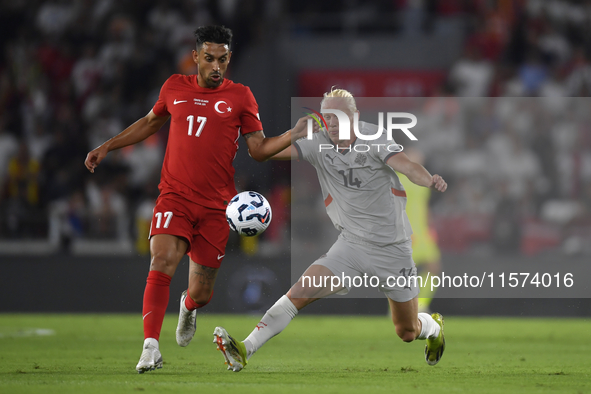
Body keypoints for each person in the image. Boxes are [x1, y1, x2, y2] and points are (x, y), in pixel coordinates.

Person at [84, 25, 309, 374]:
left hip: (217, 206)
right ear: (195, 58)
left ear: (229, 58)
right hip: (174, 195)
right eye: (209, 59)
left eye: (222, 59)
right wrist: (108, 146)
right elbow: (149, 122)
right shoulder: (174, 86)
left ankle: (187, 307)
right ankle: (150, 347)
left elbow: (259, 150)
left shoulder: (241, 96)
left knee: (201, 293)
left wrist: (292, 135)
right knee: (161, 261)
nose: (215, 66)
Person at [213, 88, 448, 372]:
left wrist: (429, 179)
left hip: (392, 248)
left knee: (407, 331)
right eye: (327, 118)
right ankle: (244, 348)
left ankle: (433, 329)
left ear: (356, 116)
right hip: (350, 244)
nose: (333, 124)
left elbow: (408, 166)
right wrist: (294, 133)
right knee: (297, 294)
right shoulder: (316, 142)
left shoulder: (374, 138)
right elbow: (261, 153)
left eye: (339, 116)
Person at [397, 148, 442, 313]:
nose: (420, 156)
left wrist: (430, 228)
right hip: (408, 233)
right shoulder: (399, 180)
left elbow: (424, 207)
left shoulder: (424, 181)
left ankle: (421, 305)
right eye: (414, 153)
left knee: (433, 267)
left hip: (423, 233)